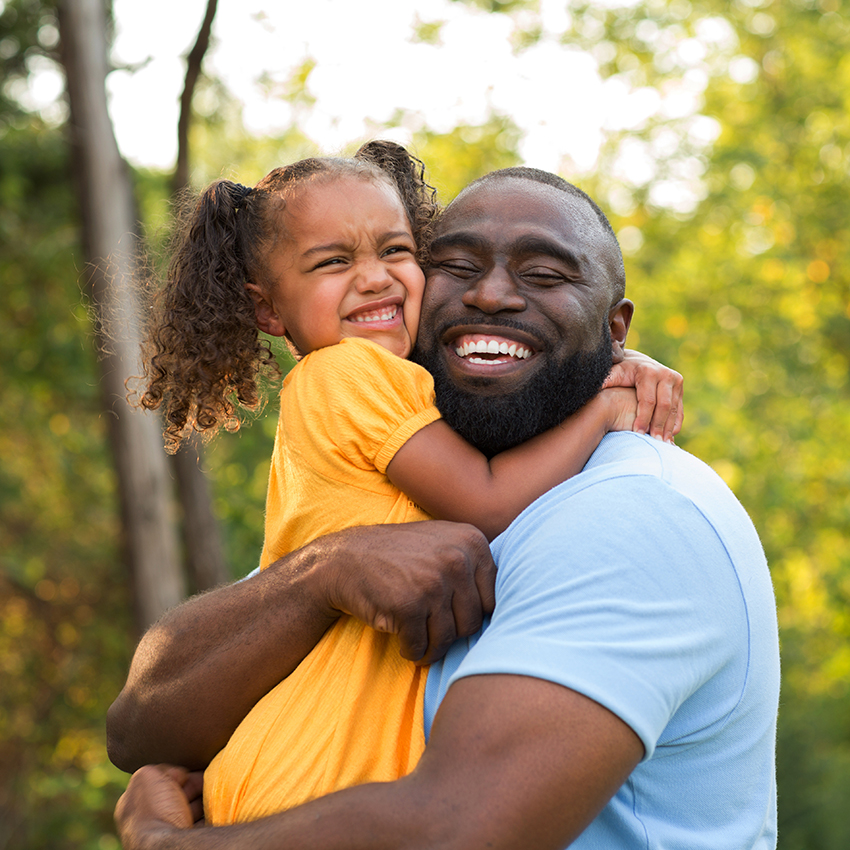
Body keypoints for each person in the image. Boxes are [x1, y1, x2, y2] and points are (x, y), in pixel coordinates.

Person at [111, 167, 779, 850]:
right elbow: (139, 726)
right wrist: (323, 573)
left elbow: (457, 830)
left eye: (546, 276)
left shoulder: (635, 514)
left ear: (615, 329)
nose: (489, 294)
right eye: (455, 266)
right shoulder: (387, 487)